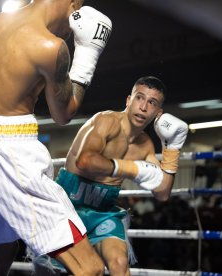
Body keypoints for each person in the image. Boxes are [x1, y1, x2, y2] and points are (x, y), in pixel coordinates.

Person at [0, 1, 112, 275]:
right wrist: (87, 53)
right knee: (90, 268)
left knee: (2, 252)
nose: (72, 28)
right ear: (72, 4)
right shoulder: (50, 46)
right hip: (11, 153)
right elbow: (64, 113)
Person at [35, 76, 188, 275]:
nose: (143, 107)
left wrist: (172, 149)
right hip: (68, 208)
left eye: (152, 103)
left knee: (120, 263)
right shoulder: (105, 121)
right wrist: (132, 168)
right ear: (128, 100)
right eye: (139, 98)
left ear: (158, 113)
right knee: (52, 272)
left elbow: (162, 192)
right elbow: (85, 161)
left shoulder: (146, 145)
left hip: (102, 212)